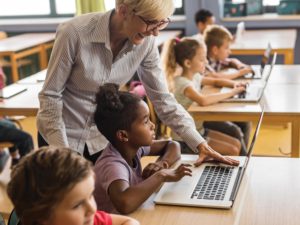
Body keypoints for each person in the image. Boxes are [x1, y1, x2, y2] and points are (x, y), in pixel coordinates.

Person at [36, 0, 239, 167]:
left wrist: (199, 143)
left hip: (100, 137)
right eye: (151, 22)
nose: (156, 32)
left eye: (162, 23)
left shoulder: (146, 42)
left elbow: (162, 99)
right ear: (123, 10)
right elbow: (50, 96)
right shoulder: (74, 32)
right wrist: (64, 153)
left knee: (103, 208)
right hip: (61, 136)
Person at [93, 83, 192, 214]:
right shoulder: (112, 164)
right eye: (145, 121)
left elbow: (173, 145)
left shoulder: (133, 148)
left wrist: (161, 164)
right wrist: (160, 175)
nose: (152, 125)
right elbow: (125, 203)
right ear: (123, 135)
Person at [7, 146, 140, 225]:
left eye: (90, 196)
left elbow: (127, 222)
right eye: (77, 205)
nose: (92, 209)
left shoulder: (86, 219)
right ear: (43, 216)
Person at [162, 37, 247, 155]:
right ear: (188, 63)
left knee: (236, 144)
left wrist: (235, 84)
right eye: (202, 60)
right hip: (185, 140)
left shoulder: (195, 76)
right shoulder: (182, 83)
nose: (206, 62)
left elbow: (215, 82)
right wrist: (233, 93)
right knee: (232, 150)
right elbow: (203, 100)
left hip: (198, 130)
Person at [203, 25, 253, 147]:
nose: (229, 51)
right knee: (234, 130)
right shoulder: (203, 62)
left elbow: (232, 60)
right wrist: (240, 73)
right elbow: (215, 78)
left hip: (213, 105)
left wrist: (240, 66)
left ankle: (242, 157)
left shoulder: (217, 60)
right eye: (227, 48)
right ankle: (241, 158)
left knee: (245, 122)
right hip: (204, 114)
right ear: (215, 50)